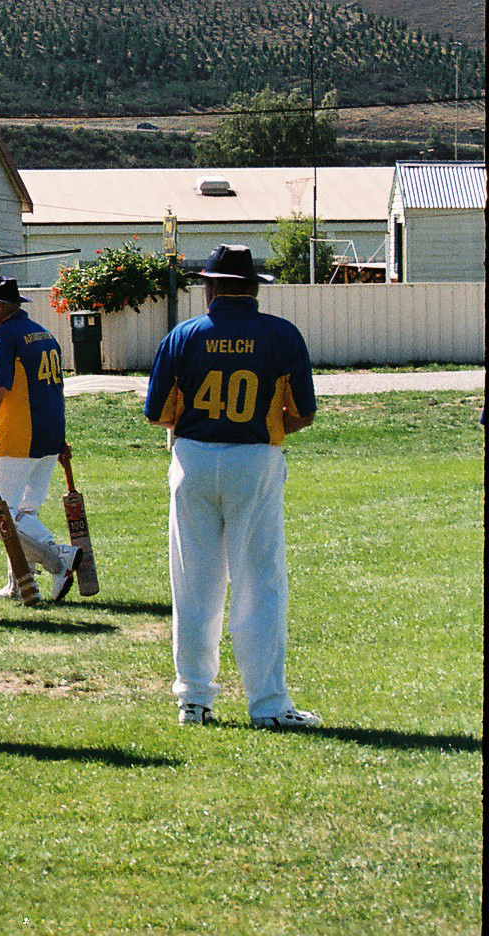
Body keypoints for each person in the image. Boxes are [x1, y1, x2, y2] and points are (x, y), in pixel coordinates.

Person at [145, 244, 320, 731]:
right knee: (259, 581)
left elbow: (158, 413)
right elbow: (303, 413)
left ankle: (193, 700)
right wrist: (268, 427)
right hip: (255, 457)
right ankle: (268, 704)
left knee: (194, 584)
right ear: (253, 287)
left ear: (211, 287)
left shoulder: (184, 335)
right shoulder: (282, 334)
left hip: (194, 458)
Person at [0, 275, 81, 602]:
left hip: (18, 435)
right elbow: (57, 388)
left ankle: (59, 556)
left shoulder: (5, 336)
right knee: (25, 513)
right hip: (50, 433)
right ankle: (18, 582)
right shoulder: (43, 333)